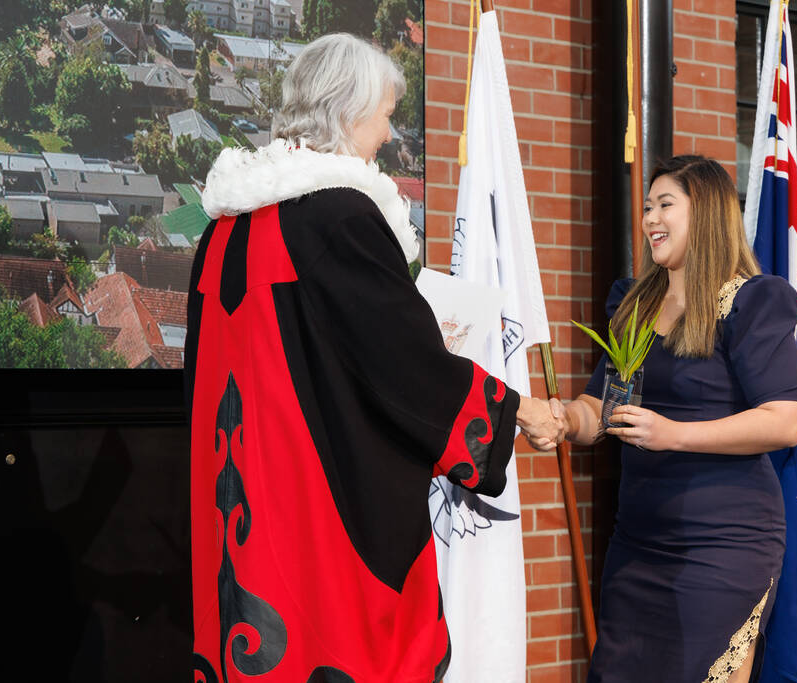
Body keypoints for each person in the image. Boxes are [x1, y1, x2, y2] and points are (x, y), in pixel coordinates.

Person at [185, 33, 563, 683]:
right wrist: (516, 410)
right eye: (387, 115)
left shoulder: (223, 229)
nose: (389, 135)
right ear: (350, 111)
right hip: (320, 527)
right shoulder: (338, 218)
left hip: (243, 522)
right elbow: (405, 370)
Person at [535, 156, 797, 683]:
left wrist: (674, 434)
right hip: (638, 545)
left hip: (725, 548)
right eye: (646, 207)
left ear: (704, 213)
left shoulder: (749, 302)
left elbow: (786, 419)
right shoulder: (636, 306)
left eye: (665, 205)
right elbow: (604, 408)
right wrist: (565, 419)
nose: (649, 219)